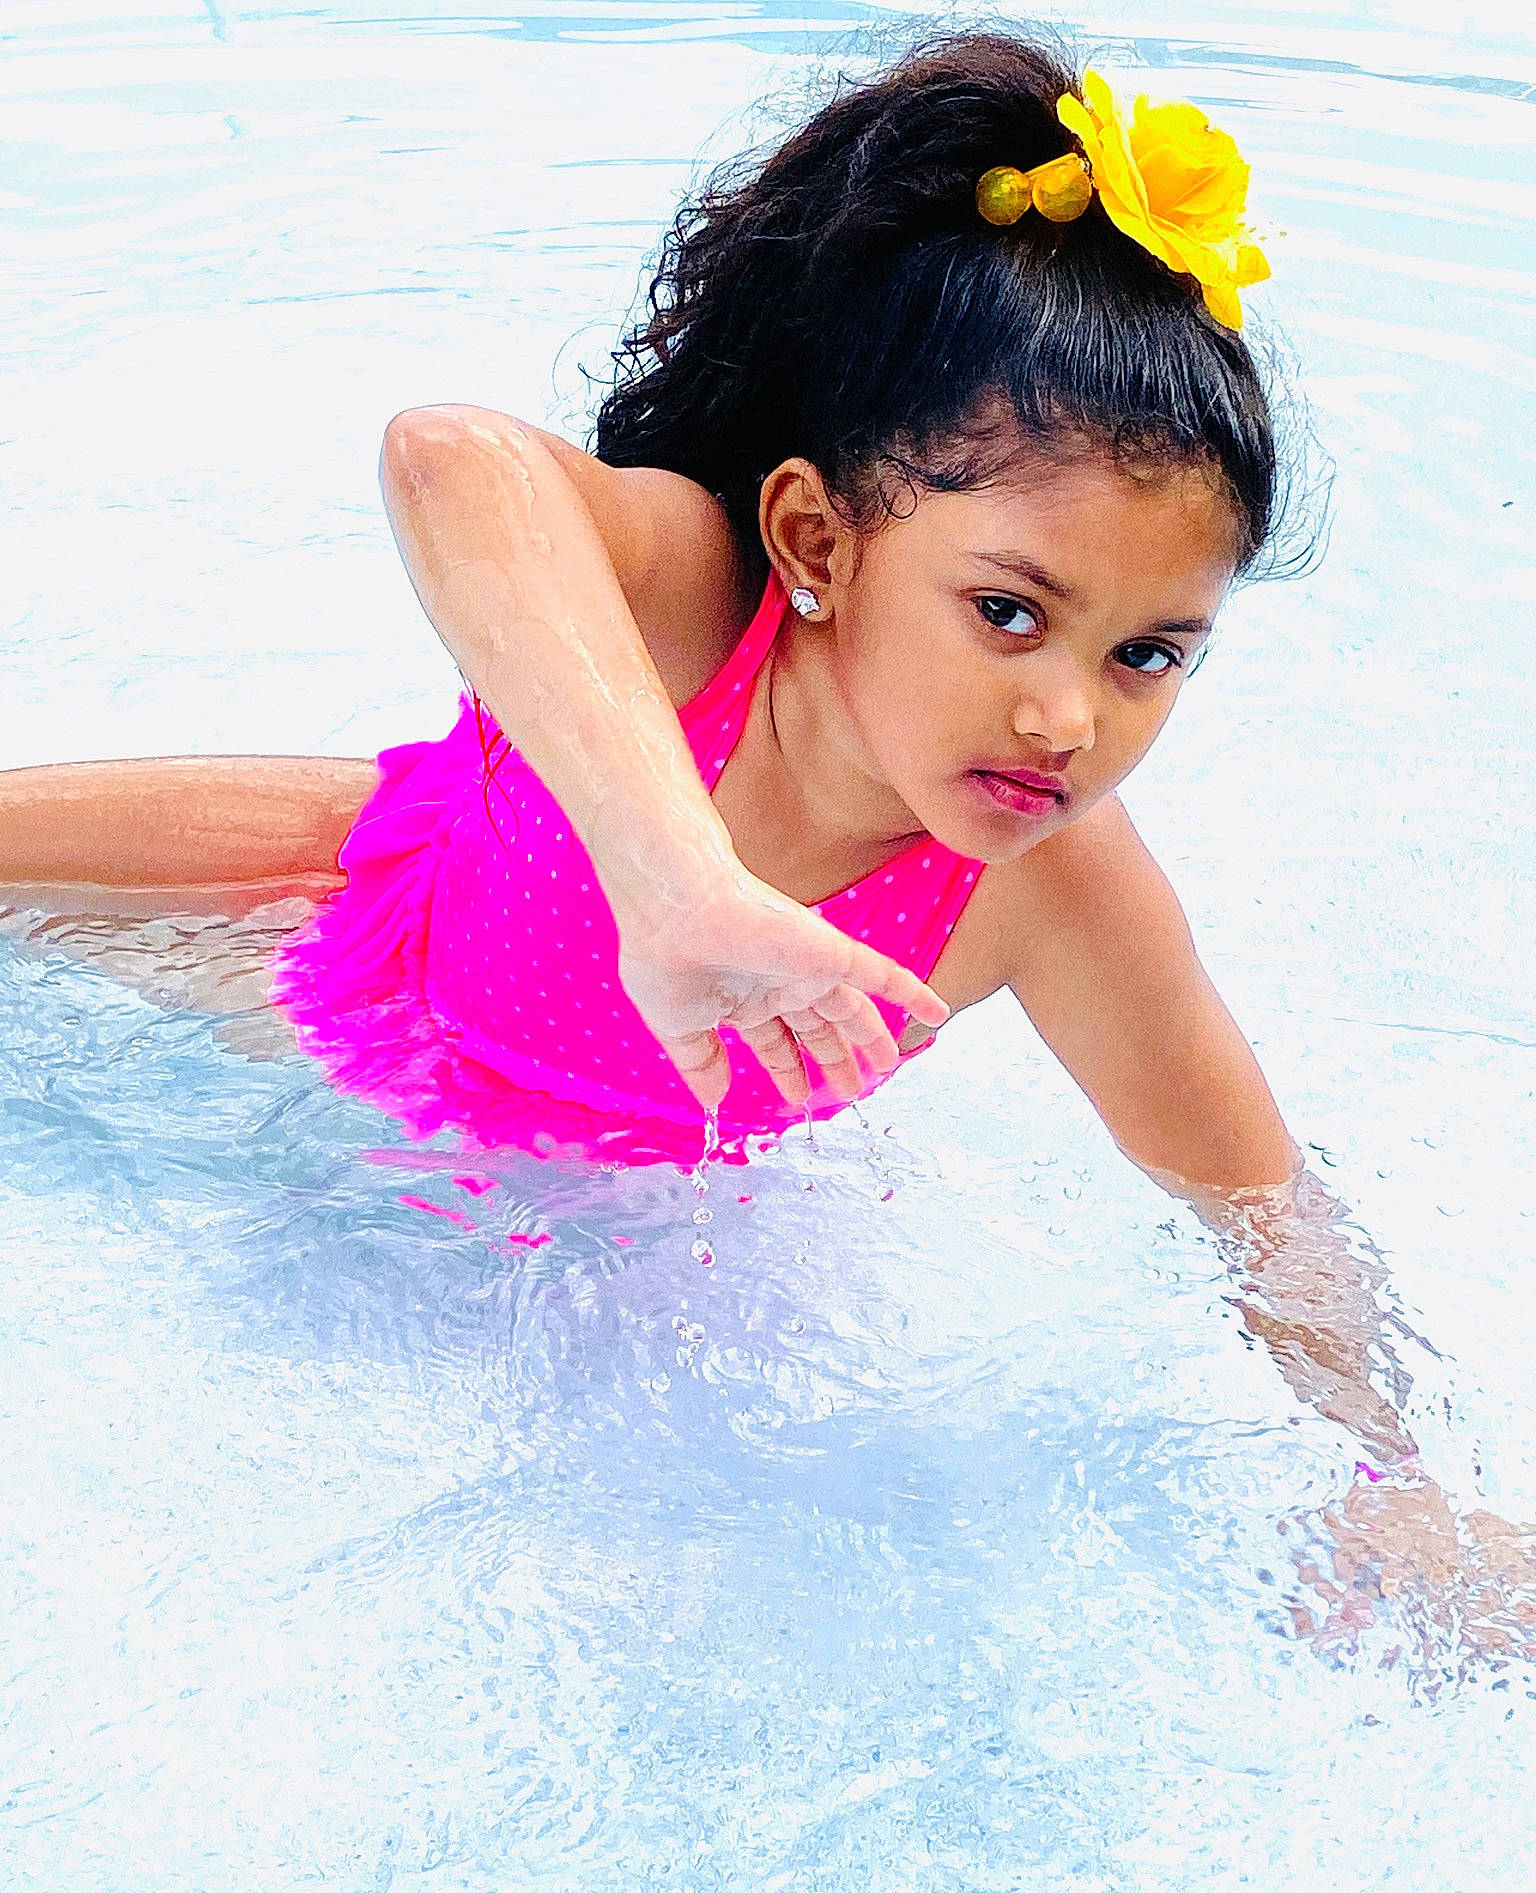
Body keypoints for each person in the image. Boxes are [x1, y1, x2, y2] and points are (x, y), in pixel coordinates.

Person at [2, 30, 1531, 1648]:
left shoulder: (1056, 893)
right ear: (818, 537)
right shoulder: (703, 607)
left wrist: (1399, 1476)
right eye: (1010, 612)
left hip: (594, 1190)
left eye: (1149, 653)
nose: (1073, 719)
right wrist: (680, 884)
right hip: (325, 939)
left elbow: (1260, 1208)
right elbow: (444, 457)